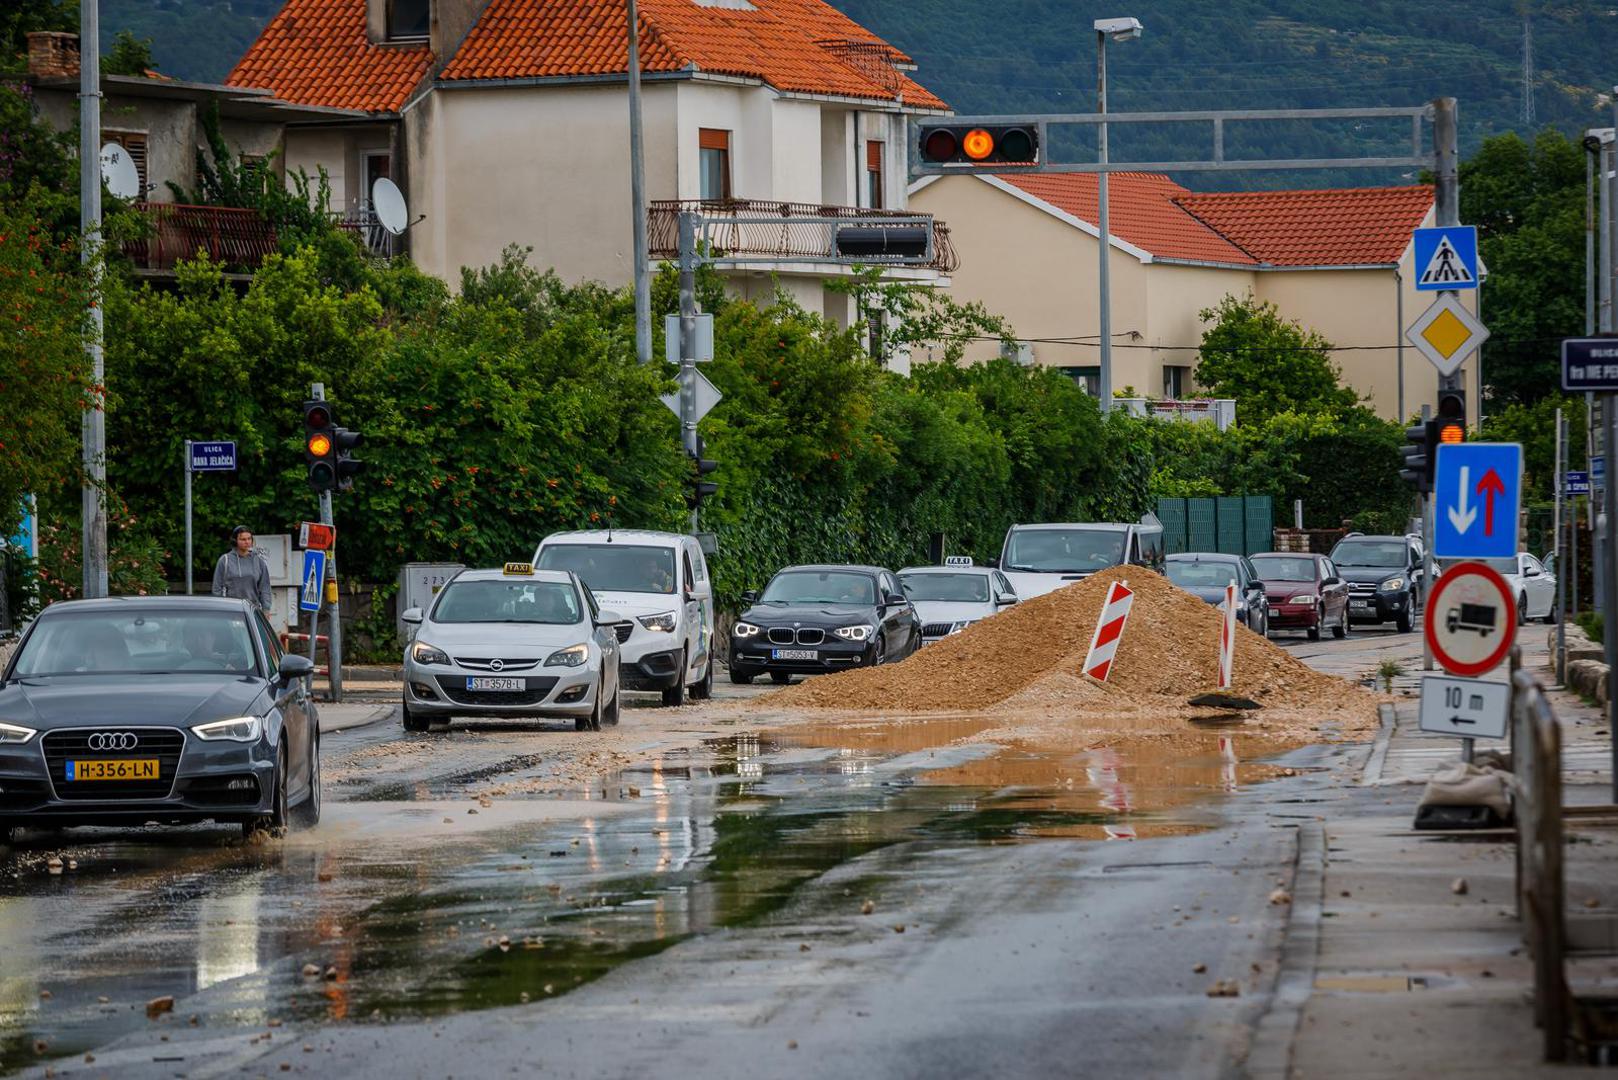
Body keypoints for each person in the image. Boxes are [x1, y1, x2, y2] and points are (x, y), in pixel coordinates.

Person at [212, 526, 272, 613]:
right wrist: (220, 608)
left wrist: (266, 609)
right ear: (235, 541)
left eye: (249, 539)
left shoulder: (258, 561)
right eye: (243, 539)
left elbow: (265, 587)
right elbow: (217, 588)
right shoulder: (225, 560)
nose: (247, 542)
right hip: (230, 609)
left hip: (253, 610)